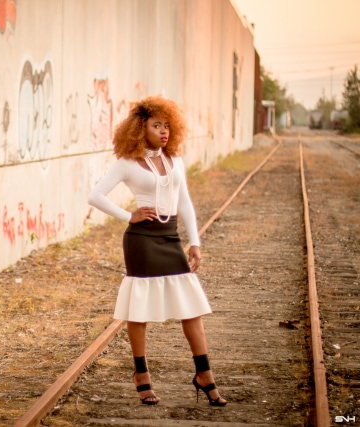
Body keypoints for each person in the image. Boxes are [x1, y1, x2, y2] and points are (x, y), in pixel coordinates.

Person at [87, 95, 226, 406]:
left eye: (167, 125)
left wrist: (195, 241)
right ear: (141, 128)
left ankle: (204, 374)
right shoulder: (126, 163)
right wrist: (129, 215)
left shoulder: (175, 161)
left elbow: (185, 202)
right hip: (140, 239)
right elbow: (95, 196)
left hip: (169, 237)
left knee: (191, 306)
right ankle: (141, 375)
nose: (163, 131)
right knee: (140, 310)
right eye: (156, 125)